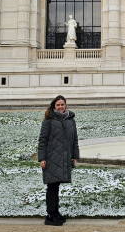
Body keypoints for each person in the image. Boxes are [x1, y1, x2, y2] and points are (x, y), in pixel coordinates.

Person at [37, 95, 79, 226]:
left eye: (62, 104)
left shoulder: (70, 120)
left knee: (56, 186)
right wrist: (42, 158)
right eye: (58, 105)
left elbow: (74, 140)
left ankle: (55, 213)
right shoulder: (48, 120)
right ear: (54, 106)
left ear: (66, 105)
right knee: (52, 186)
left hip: (64, 158)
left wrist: (74, 156)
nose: (60, 107)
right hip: (51, 158)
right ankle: (51, 215)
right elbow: (42, 140)